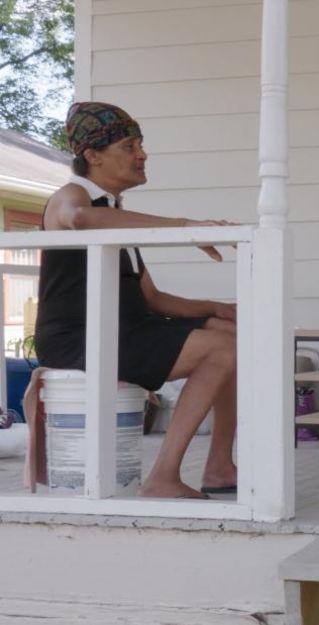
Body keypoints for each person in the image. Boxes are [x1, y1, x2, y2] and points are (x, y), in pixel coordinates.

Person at [35, 101, 238, 499]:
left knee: (233, 333)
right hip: (78, 336)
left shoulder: (115, 211)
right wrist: (185, 227)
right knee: (221, 350)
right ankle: (164, 477)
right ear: (92, 155)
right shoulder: (71, 195)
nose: (142, 154)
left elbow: (153, 298)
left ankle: (218, 467)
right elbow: (79, 219)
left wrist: (216, 308)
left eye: (141, 145)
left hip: (125, 328)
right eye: (129, 146)